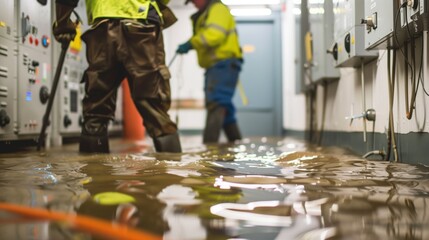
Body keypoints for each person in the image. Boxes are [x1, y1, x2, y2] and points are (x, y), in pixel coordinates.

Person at [52, 0, 182, 153]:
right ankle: (172, 172)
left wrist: (62, 23)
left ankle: (95, 173)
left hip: (103, 27)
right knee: (155, 110)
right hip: (142, 25)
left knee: (96, 111)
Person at [176, 0, 243, 144]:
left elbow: (214, 35)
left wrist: (191, 43)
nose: (193, 3)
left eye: (194, 0)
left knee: (216, 103)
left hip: (223, 65)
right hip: (217, 66)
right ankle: (237, 144)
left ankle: (209, 150)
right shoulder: (207, 12)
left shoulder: (217, 9)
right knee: (224, 108)